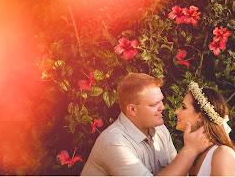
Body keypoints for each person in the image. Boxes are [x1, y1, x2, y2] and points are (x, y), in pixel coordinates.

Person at [80, 73, 211, 176]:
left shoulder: (160, 129)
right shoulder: (114, 142)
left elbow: (178, 172)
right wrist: (190, 150)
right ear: (132, 110)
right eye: (154, 104)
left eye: (161, 101)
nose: (163, 107)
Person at [175, 81, 235, 176]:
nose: (177, 111)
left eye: (183, 107)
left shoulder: (223, 154)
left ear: (200, 117)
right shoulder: (195, 154)